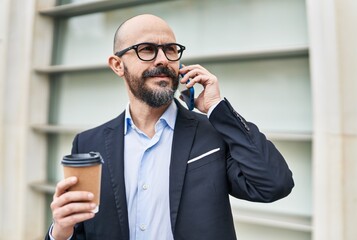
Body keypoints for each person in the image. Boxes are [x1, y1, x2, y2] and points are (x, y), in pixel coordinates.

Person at [45, 14, 294, 240]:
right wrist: (60, 232)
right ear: (117, 65)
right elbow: (81, 228)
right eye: (147, 49)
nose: (163, 60)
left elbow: (274, 185)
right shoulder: (88, 144)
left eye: (171, 50)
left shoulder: (213, 133)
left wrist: (218, 109)